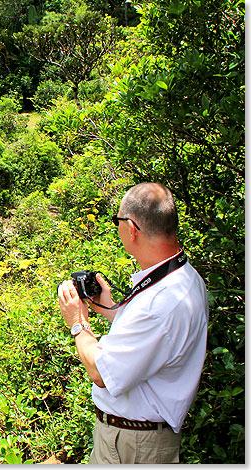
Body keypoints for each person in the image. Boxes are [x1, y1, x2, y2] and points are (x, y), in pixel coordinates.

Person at [57, 182, 208, 464]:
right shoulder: (183, 278)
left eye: (118, 221)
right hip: (138, 440)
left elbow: (101, 373)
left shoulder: (161, 303)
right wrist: (111, 307)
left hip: (133, 446)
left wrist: (78, 322)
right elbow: (155, 339)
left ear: (131, 228)